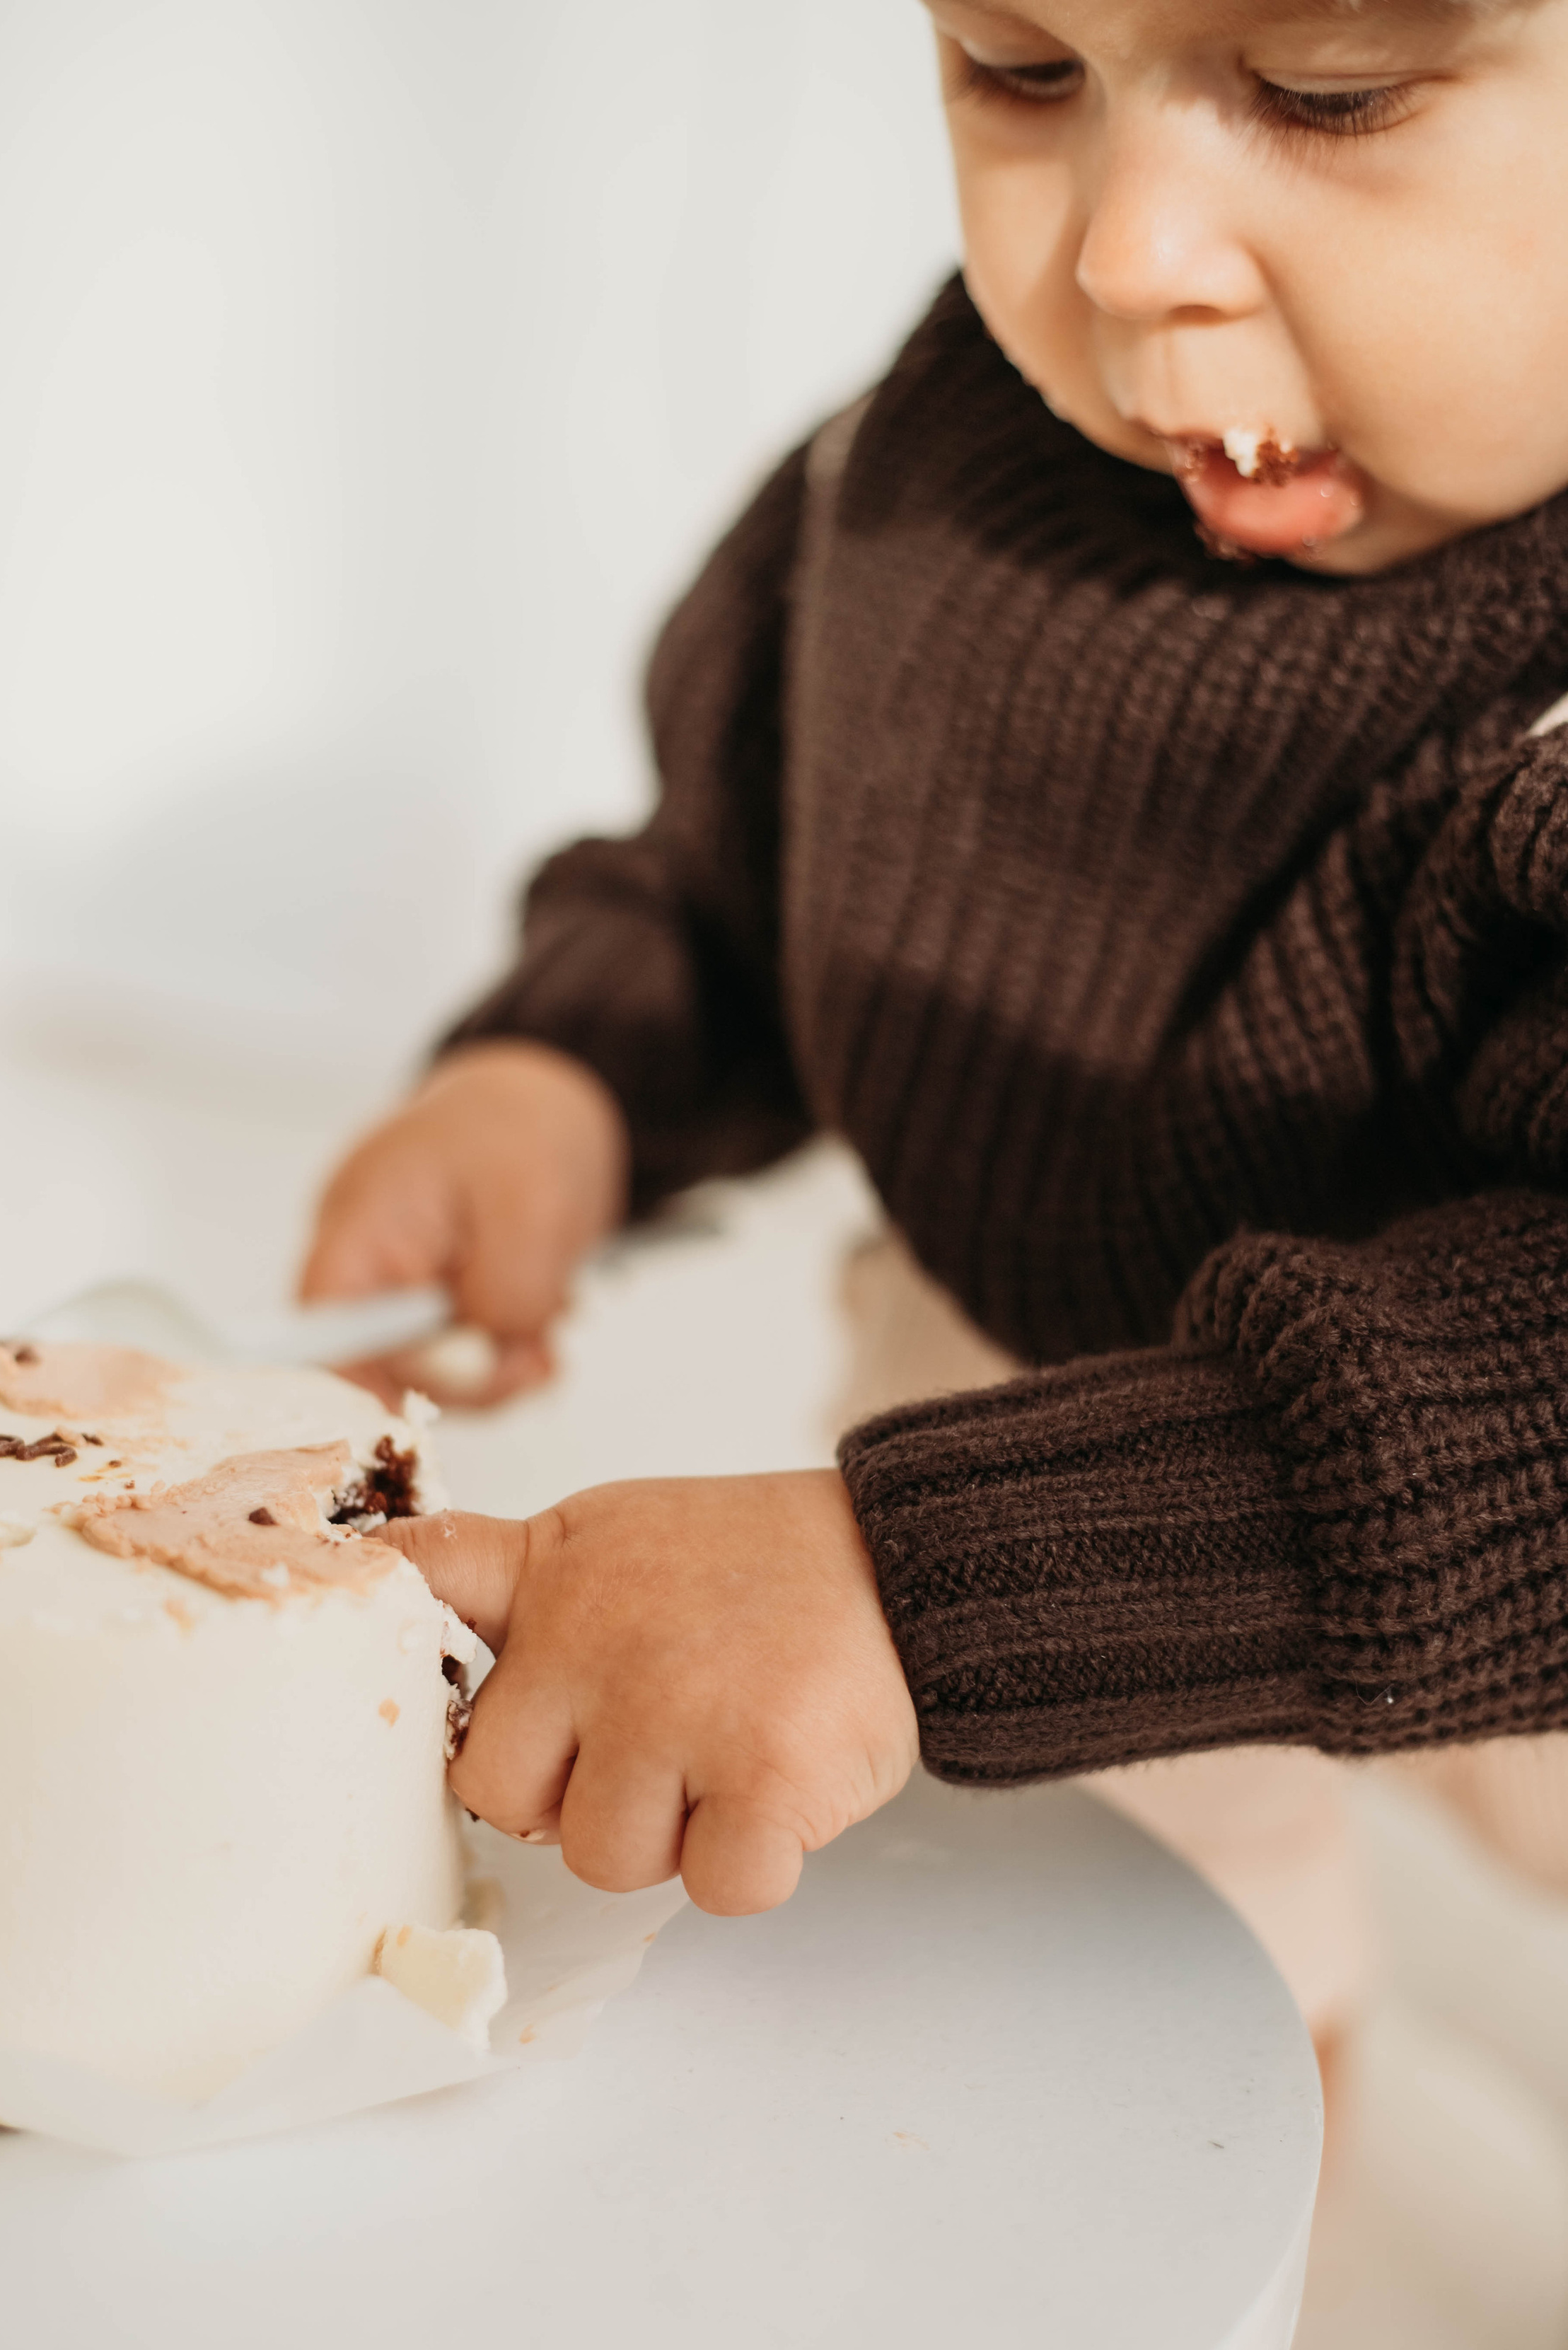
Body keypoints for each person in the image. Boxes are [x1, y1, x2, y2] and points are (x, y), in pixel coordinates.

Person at [302, 0, 1568, 1942]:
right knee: (1150, 2013)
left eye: (1332, 94)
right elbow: (764, 855)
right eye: (1022, 72)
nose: (1123, 253)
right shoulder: (943, 461)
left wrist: (919, 1580)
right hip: (1031, 1423)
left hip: (1492, 1481)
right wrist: (574, 1073)